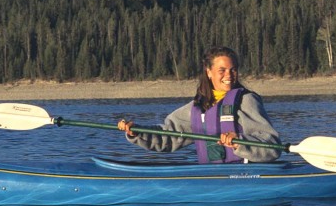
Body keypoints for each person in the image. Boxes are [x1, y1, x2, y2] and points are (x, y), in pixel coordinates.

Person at [117, 46, 282, 163]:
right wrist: (136, 132)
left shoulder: (246, 100)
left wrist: (239, 141)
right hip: (211, 175)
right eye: (222, 70)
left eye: (233, 70)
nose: (229, 75)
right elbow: (167, 137)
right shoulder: (197, 107)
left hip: (247, 175)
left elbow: (272, 145)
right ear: (209, 72)